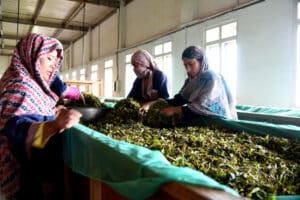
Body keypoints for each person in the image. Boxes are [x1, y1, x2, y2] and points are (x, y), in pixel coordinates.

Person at [0, 33, 82, 199]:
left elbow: (35, 111)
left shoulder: (31, 82)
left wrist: (52, 112)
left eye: (56, 60)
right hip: (24, 175)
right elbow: (17, 131)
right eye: (49, 58)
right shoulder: (21, 86)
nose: (54, 66)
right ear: (32, 57)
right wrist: (55, 125)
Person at [144, 45, 237, 121]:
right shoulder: (190, 81)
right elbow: (179, 100)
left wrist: (175, 110)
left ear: (201, 62)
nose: (187, 69)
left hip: (219, 122)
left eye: (191, 64)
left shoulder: (211, 77)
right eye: (185, 65)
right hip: (201, 121)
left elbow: (203, 106)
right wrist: (153, 104)